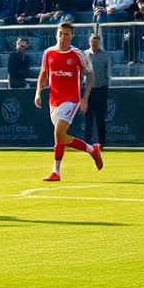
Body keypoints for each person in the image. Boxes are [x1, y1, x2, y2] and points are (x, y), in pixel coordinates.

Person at [34, 21, 103, 182]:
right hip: (54, 100)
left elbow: (90, 75)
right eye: (61, 34)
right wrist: (38, 93)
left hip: (71, 99)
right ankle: (92, 150)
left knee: (58, 133)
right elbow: (43, 74)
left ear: (72, 37)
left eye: (67, 34)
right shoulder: (48, 53)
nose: (63, 37)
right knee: (61, 136)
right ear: (56, 35)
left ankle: (56, 171)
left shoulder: (78, 54)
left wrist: (85, 98)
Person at [84, 33, 113, 146]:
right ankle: (87, 143)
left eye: (96, 42)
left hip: (101, 89)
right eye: (92, 42)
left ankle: (102, 143)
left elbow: (109, 72)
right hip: (88, 90)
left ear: (99, 43)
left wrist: (108, 86)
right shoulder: (84, 55)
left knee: (100, 118)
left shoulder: (105, 56)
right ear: (89, 42)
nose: (94, 44)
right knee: (88, 118)